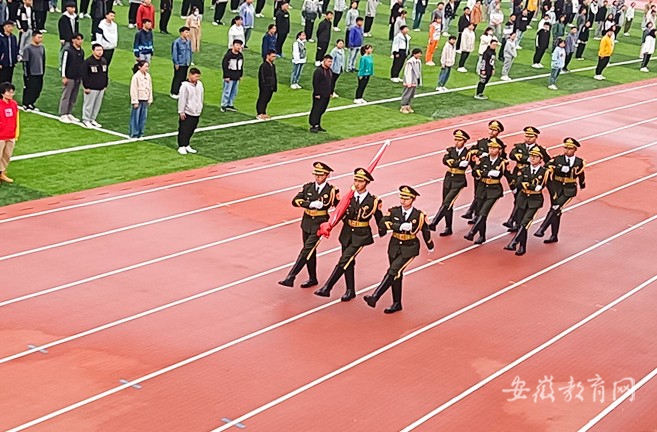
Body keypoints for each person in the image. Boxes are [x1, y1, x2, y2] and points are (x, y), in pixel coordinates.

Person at [315, 167, 384, 301]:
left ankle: (327, 287)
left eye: (360, 181)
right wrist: (330, 225)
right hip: (347, 233)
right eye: (355, 180)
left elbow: (379, 219)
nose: (357, 183)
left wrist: (385, 229)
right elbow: (340, 213)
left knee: (344, 260)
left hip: (361, 235)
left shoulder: (373, 201)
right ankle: (350, 290)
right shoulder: (348, 198)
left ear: (367, 183)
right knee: (349, 262)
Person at [364, 185, 434, 313]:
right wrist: (399, 226)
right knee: (396, 275)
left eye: (406, 198)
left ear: (413, 199)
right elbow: (383, 223)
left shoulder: (419, 215)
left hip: (409, 247)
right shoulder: (393, 211)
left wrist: (430, 245)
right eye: (401, 197)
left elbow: (425, 230)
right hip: (394, 246)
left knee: (393, 270)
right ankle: (397, 303)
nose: (403, 200)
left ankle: (375, 297)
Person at [278, 162, 340, 287]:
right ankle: (312, 278)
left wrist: (331, 224)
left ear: (327, 175)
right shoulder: (308, 187)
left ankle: (291, 277)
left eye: (321, 175)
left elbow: (339, 208)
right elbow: (295, 201)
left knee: (306, 250)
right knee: (310, 251)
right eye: (316, 174)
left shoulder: (332, 191)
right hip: (306, 222)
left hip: (319, 224)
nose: (318, 177)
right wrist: (309, 204)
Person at [534, 137, 586, 243]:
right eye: (565, 148)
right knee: (556, 211)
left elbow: (581, 173)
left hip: (569, 189)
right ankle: (554, 236)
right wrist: (559, 168)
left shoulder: (579, 161)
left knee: (556, 207)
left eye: (570, 148)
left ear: (575, 149)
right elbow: (547, 166)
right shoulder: (558, 159)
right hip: (556, 187)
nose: (567, 150)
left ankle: (542, 229)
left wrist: (582, 184)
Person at [505, 126, 551, 230]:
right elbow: (512, 155)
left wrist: (542, 172)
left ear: (536, 137)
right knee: (518, 198)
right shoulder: (519, 146)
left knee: (522, 199)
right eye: (526, 136)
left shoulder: (540, 149)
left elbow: (548, 161)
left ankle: (513, 221)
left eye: (531, 136)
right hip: (519, 174)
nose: (528, 138)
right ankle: (516, 222)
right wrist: (527, 159)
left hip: (532, 177)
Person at [503, 147, 547, 255]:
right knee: (520, 223)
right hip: (522, 199)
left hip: (534, 201)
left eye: (536, 157)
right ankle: (522, 247)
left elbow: (542, 186)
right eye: (532, 156)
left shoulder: (544, 172)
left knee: (525, 223)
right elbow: (519, 183)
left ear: (541, 159)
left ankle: (513, 242)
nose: (533, 158)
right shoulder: (523, 170)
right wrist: (532, 186)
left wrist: (529, 185)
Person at [428, 129, 472, 235]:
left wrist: (453, 163)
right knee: (447, 204)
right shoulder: (451, 150)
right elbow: (445, 160)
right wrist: (456, 163)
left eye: (459, 140)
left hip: (458, 180)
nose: (457, 142)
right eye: (456, 139)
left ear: (464, 141)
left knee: (447, 202)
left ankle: (434, 223)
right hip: (448, 178)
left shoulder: (467, 153)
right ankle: (448, 228)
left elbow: (463, 165)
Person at [463, 137, 506, 244]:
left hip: (493, 191)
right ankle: (482, 236)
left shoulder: (502, 162)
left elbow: (505, 175)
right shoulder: (483, 159)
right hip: (482, 189)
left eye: (494, 148)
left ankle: (472, 232)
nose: (492, 150)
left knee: (484, 212)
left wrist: (514, 188)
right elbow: (475, 171)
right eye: (490, 148)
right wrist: (487, 173)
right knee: (479, 213)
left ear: (499, 150)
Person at [461, 119, 505, 221]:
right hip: (479, 171)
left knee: (482, 196)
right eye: (490, 129)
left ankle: (475, 214)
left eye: (494, 130)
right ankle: (473, 212)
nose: (491, 132)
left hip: (489, 174)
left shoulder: (500, 145)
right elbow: (471, 150)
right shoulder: (482, 142)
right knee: (478, 193)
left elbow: (501, 159)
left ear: (498, 132)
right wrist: (481, 154)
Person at [81, 43, 108, 129]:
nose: (100, 52)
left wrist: (105, 84)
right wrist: (86, 86)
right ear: (93, 51)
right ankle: (86, 119)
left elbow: (105, 74)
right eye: (97, 50)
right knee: (89, 104)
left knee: (97, 105)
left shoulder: (103, 61)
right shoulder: (88, 62)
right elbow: (84, 75)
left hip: (101, 87)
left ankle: (92, 119)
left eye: (101, 50)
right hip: (91, 87)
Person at [59, 32, 84, 123]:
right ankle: (63, 114)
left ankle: (69, 112)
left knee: (73, 96)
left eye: (81, 39)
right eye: (78, 39)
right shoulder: (68, 50)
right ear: (73, 40)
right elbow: (64, 64)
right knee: (66, 95)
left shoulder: (81, 51)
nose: (80, 41)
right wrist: (64, 76)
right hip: (69, 77)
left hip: (77, 77)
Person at [177, 67, 203, 155]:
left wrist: (200, 107)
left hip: (196, 111)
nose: (197, 78)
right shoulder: (185, 86)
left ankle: (187, 144)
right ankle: (181, 145)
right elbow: (182, 99)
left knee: (192, 128)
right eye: (196, 76)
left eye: (198, 76)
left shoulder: (199, 84)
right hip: (188, 111)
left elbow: (200, 97)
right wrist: (181, 111)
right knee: (184, 129)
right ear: (190, 75)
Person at [21, 30, 45, 111]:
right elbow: (25, 63)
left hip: (39, 73)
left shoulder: (42, 48)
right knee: (29, 88)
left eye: (41, 37)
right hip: (31, 73)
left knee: (37, 89)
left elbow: (43, 60)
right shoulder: (28, 48)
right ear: (33, 37)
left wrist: (43, 71)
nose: (40, 39)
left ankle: (31, 103)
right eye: (39, 37)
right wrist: (27, 75)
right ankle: (26, 103)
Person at [0, 82, 19, 184]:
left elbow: (16, 120)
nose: (11, 94)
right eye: (9, 92)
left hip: (10, 135)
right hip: (1, 136)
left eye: (12, 92)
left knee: (6, 156)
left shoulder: (14, 104)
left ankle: (2, 172)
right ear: (3, 93)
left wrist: (16, 133)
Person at [309, 55, 333, 132]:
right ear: (324, 61)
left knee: (322, 109)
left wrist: (331, 92)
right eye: (329, 61)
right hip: (319, 94)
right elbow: (315, 83)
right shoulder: (318, 71)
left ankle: (317, 124)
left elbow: (331, 82)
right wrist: (317, 93)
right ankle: (313, 125)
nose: (330, 63)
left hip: (326, 94)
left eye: (331, 62)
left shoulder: (329, 70)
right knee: (316, 110)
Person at [129, 59, 152, 138]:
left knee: (143, 118)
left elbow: (150, 88)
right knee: (135, 117)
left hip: (145, 99)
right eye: (145, 66)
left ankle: (141, 133)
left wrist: (150, 99)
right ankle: (134, 133)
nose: (147, 68)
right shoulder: (136, 77)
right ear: (140, 67)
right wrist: (135, 101)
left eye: (147, 67)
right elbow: (133, 89)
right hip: (138, 99)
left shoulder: (148, 76)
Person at [221, 38, 243, 112]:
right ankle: (224, 105)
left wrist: (240, 75)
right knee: (227, 91)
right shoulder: (228, 55)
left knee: (234, 92)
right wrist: (226, 76)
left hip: (236, 76)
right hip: (229, 77)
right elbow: (224, 65)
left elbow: (241, 66)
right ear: (233, 45)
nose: (238, 47)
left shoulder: (240, 55)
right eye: (237, 45)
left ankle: (230, 104)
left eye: (239, 45)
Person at [170, 26, 192, 99]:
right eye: (186, 32)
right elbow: (174, 53)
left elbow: (189, 52)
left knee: (183, 78)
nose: (188, 34)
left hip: (186, 63)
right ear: (181, 33)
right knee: (177, 78)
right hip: (180, 63)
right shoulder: (177, 42)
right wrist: (176, 63)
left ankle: (180, 91)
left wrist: (190, 61)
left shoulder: (188, 41)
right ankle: (174, 92)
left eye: (188, 32)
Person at [256, 49, 277, 120]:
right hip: (265, 86)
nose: (274, 58)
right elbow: (261, 77)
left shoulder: (273, 66)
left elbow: (274, 76)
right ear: (268, 56)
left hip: (271, 86)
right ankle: (259, 113)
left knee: (267, 99)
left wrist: (274, 86)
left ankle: (264, 112)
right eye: (272, 56)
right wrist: (263, 86)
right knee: (262, 99)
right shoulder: (263, 66)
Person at [400, 47, 422, 113]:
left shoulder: (418, 61)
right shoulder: (410, 62)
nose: (420, 55)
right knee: (407, 93)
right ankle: (403, 106)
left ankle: (408, 105)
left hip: (415, 80)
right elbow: (407, 72)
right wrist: (408, 82)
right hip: (410, 80)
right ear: (414, 54)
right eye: (418, 53)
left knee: (411, 94)